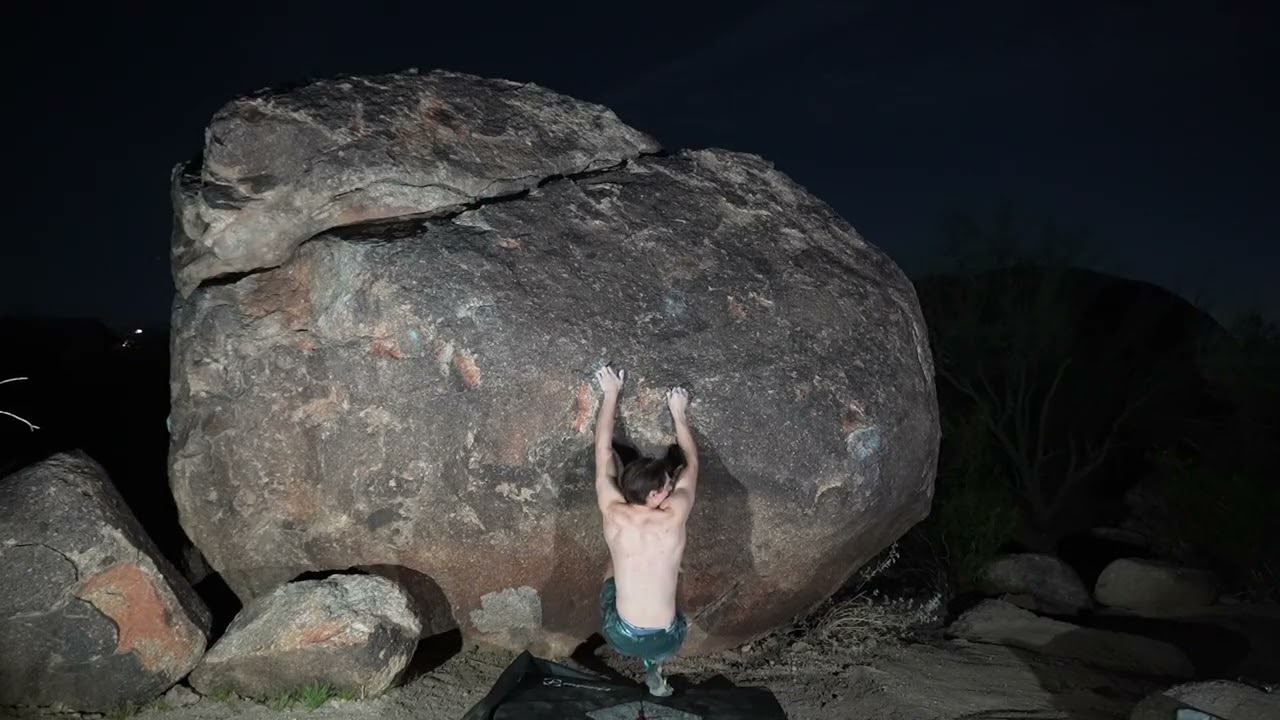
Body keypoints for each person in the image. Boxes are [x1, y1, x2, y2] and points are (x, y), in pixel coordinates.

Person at [592, 363, 699, 697]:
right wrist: (678, 412)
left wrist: (611, 393)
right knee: (671, 575)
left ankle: (646, 656)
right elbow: (692, 462)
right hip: (668, 638)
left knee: (611, 570)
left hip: (621, 635)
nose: (671, 486)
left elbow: (602, 450)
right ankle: (655, 667)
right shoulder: (673, 515)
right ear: (654, 496)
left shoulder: (612, 511)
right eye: (667, 485)